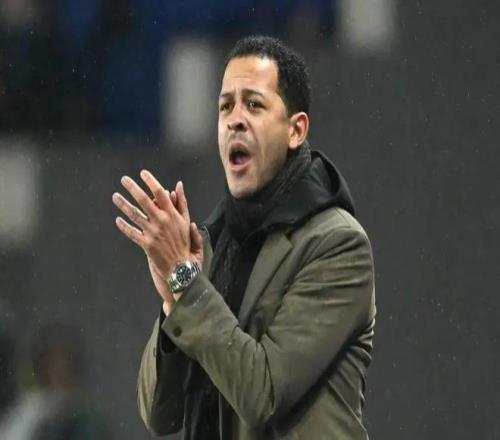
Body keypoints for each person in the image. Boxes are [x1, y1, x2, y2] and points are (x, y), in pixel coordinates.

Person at [112, 35, 376, 439]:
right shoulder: (211, 242)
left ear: (295, 130)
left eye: (254, 104)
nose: (234, 119)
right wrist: (172, 301)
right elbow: (160, 415)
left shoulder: (337, 245)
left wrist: (185, 281)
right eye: (225, 106)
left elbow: (262, 395)